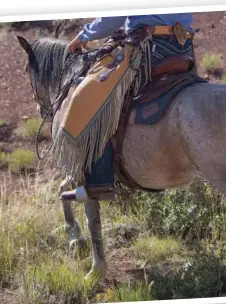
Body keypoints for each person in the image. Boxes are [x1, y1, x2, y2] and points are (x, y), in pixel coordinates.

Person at [61, 13, 194, 201]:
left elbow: (112, 18)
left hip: (151, 49)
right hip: (184, 49)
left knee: (92, 94)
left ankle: (99, 182)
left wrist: (83, 36)